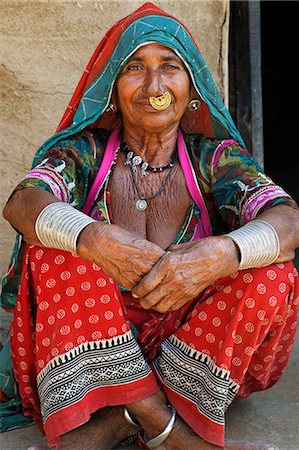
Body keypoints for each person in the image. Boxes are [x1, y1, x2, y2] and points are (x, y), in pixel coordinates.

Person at [1, 3, 299, 450]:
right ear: (113, 88)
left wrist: (224, 253)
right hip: (92, 344)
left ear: (191, 86)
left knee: (273, 272)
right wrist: (90, 236)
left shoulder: (213, 160)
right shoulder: (85, 153)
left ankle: (120, 418)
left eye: (170, 67)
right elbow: (24, 202)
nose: (154, 85)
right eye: (135, 68)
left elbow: (289, 219)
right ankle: (166, 425)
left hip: (192, 343)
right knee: (53, 249)